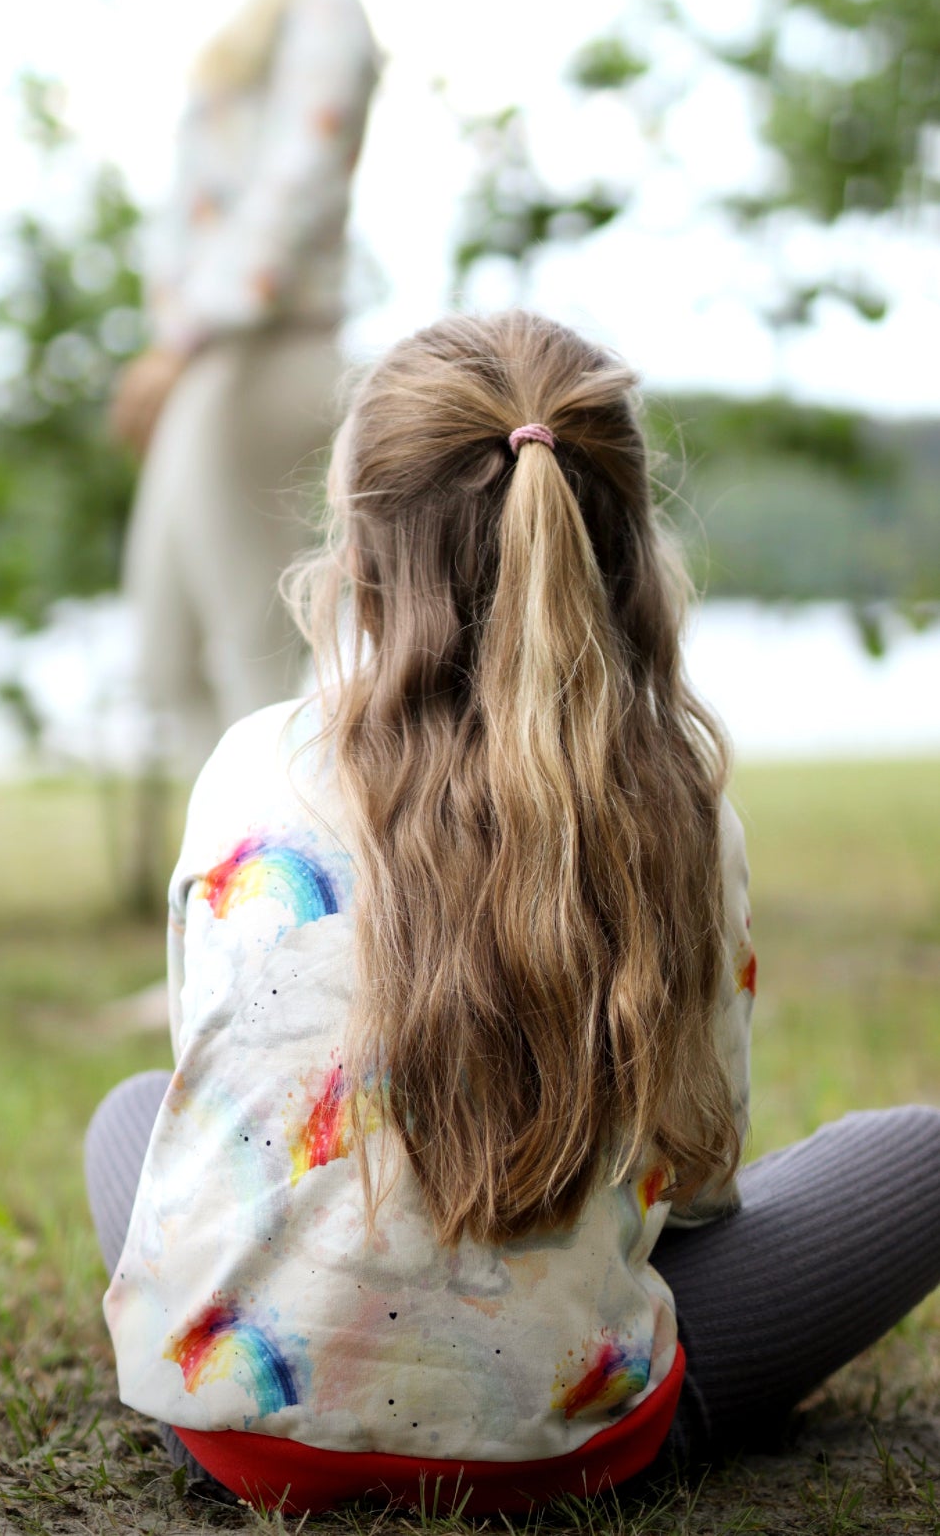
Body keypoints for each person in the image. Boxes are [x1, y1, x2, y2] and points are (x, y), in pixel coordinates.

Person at [87, 313, 940, 1513]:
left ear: (359, 542)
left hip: (240, 1437)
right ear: (625, 545)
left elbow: (217, 1078)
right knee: (921, 1155)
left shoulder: (249, 765)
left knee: (133, 1114)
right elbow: (698, 1188)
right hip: (566, 1448)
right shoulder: (682, 813)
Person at [112, 0, 379, 783]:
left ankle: (294, 905)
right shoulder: (269, 7)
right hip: (211, 359)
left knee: (257, 663)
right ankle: (225, 901)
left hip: (265, 357)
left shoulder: (324, 8)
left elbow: (289, 199)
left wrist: (175, 350)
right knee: (169, 647)